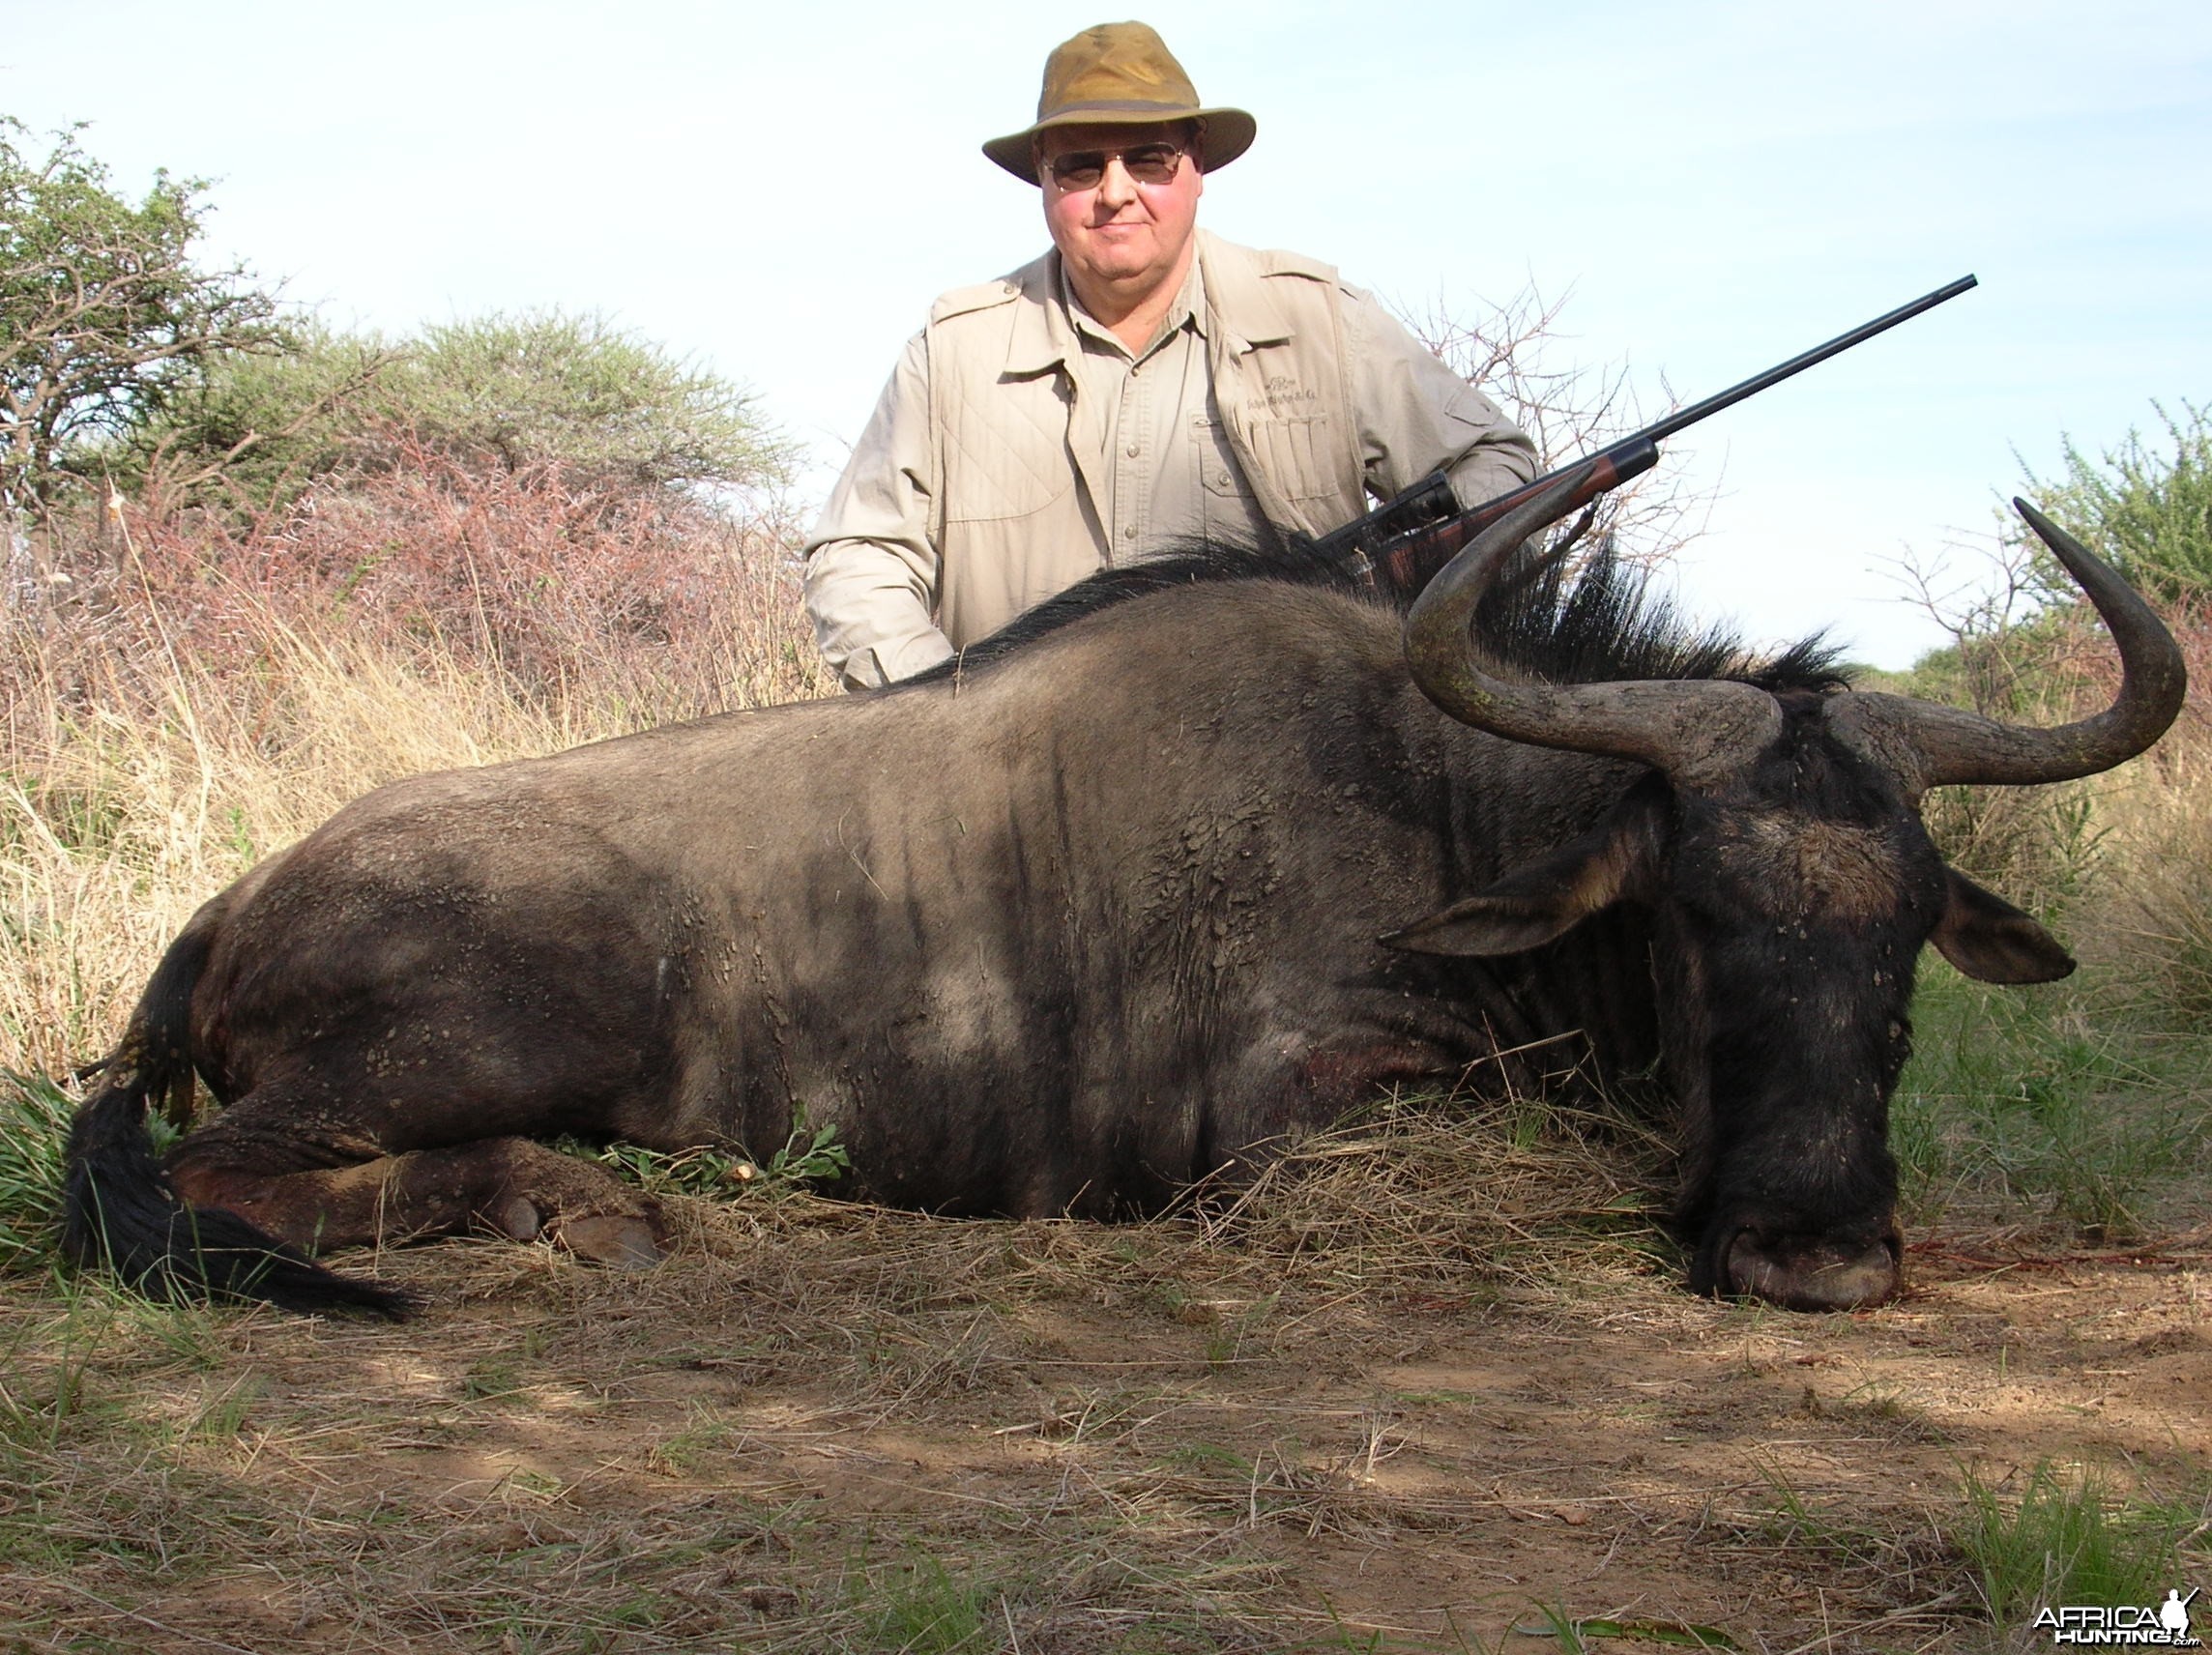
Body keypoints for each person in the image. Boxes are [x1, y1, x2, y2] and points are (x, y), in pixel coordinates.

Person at [803, 21, 1538, 689]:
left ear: (1196, 166)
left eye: (1148, 159)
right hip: (1023, 796)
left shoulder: (1317, 321)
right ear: (1043, 179)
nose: (1115, 193)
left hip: (1296, 770)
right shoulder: (952, 351)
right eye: (1080, 167)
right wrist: (947, 710)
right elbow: (857, 559)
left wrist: (1392, 593)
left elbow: (1499, 470)